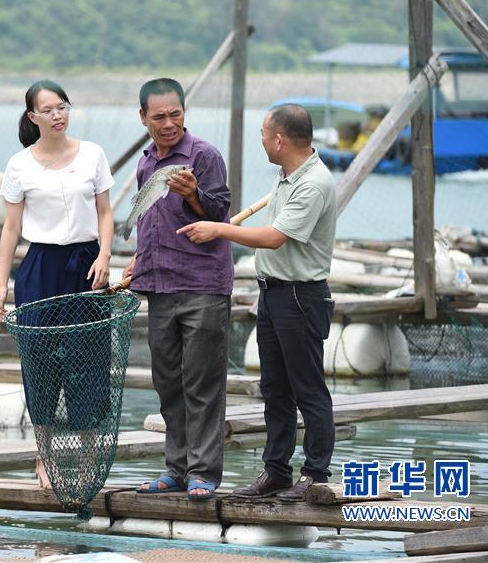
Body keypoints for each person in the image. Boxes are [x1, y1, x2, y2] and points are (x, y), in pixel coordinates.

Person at [177, 103, 336, 502]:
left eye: (264, 134)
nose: (262, 141)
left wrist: (219, 229)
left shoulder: (314, 183)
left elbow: (274, 237)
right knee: (275, 388)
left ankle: (315, 475)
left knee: (308, 389)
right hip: (273, 293)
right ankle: (277, 472)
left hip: (301, 296)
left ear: (279, 140)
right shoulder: (287, 177)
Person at [0, 80, 114, 488]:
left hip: (86, 263)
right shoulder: (19, 165)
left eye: (62, 107)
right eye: (48, 110)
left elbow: (105, 212)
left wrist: (104, 255)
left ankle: (86, 462)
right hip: (39, 267)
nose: (57, 115)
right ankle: (43, 459)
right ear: (33, 117)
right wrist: (1, 283)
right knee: (40, 363)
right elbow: (11, 228)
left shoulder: (93, 154)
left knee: (90, 361)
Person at [124, 78, 232, 501]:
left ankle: (203, 473)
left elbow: (220, 212)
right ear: (144, 119)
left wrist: (195, 196)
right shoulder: (146, 161)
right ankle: (177, 468)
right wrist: (137, 262)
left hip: (202, 284)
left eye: (175, 114)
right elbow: (150, 221)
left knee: (202, 383)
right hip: (158, 284)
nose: (168, 123)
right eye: (159, 116)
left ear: (184, 113)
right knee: (168, 381)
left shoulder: (204, 156)